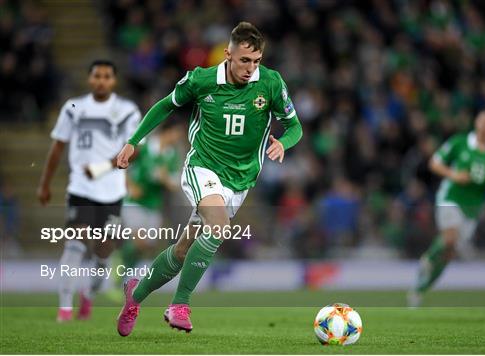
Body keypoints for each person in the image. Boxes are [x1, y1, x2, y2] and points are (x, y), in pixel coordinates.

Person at [115, 22, 302, 336]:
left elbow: (294, 126)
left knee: (182, 251)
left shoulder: (271, 83)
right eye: (244, 60)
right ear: (228, 54)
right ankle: (180, 304)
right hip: (202, 167)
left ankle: (134, 296)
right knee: (218, 225)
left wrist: (284, 142)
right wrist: (134, 141)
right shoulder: (201, 80)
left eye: (256, 61)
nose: (250, 68)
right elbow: (164, 106)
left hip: (239, 181)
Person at [37, 60, 141, 321]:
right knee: (74, 245)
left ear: (114, 81)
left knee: (103, 254)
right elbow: (58, 146)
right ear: (89, 79)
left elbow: (136, 150)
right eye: (97, 76)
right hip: (80, 190)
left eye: (107, 76)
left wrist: (103, 167)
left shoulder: (127, 110)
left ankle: (89, 294)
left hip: (113, 193)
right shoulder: (73, 108)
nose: (101, 81)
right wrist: (44, 183)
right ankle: (64, 308)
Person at [408, 109, 485, 307]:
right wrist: (454, 175)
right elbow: (434, 163)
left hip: (473, 207)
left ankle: (419, 289)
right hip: (451, 197)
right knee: (450, 237)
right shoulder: (459, 143)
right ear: (477, 123)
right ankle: (427, 258)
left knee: (449, 253)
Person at [119, 121, 182, 284]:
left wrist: (165, 178)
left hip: (154, 205)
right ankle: (119, 273)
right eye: (177, 133)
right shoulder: (144, 146)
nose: (179, 137)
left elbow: (175, 184)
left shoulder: (172, 154)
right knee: (139, 240)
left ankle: (123, 273)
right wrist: (130, 185)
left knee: (146, 246)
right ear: (168, 132)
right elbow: (121, 162)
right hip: (135, 201)